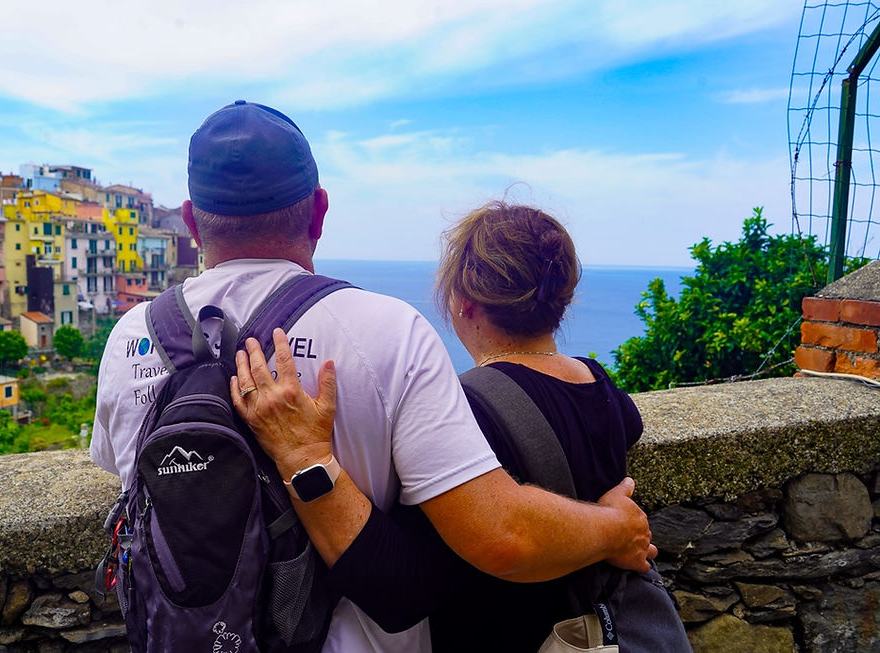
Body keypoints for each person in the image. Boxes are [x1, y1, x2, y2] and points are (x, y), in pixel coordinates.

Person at [91, 100, 655, 653]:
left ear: (191, 221)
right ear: (319, 211)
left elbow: (130, 479)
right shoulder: (388, 331)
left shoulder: (130, 337)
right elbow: (500, 536)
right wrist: (615, 526)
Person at [232, 202, 659, 651]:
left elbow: (398, 586)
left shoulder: (468, 410)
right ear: (562, 298)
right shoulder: (600, 384)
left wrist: (306, 456)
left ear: (463, 301)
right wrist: (609, 525)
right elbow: (626, 428)